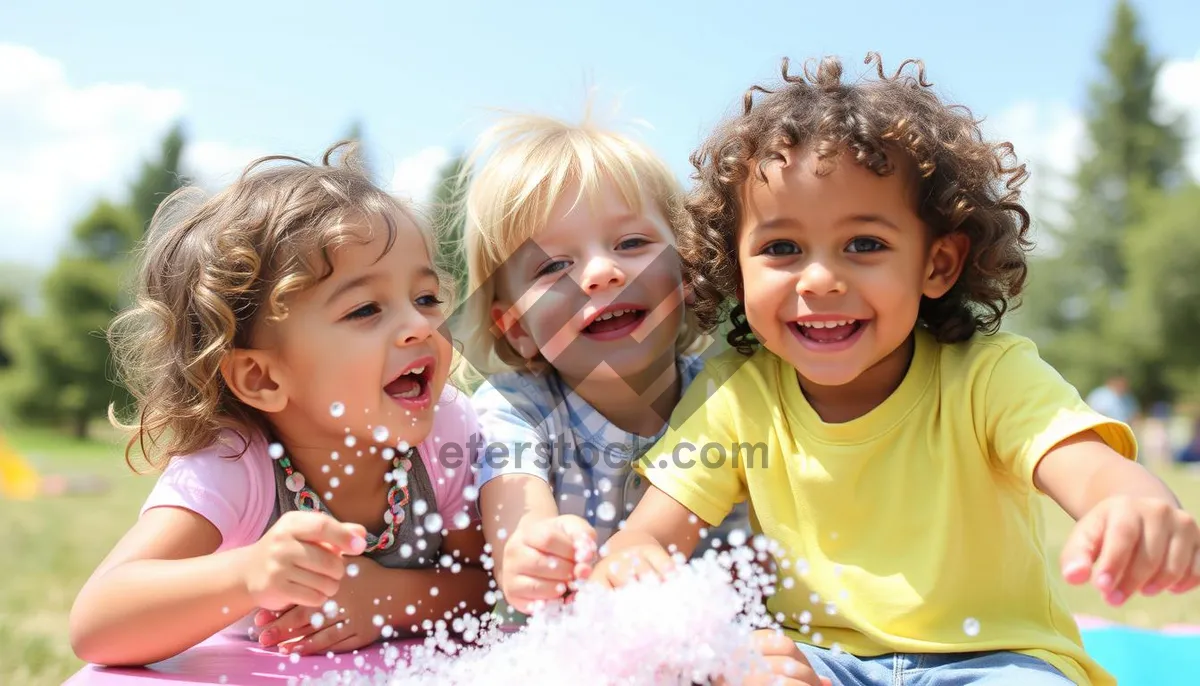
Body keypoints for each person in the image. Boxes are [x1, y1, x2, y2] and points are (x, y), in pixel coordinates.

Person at [590, 55, 1200, 686]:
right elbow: (648, 540)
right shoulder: (737, 396)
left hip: (995, 661)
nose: (820, 279)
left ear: (936, 264)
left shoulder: (990, 377)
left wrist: (1132, 508)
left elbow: (1099, 475)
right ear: (735, 265)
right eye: (781, 248)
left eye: (865, 245)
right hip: (821, 663)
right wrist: (635, 572)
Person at [69, 143, 491, 667]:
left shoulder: (445, 433)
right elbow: (97, 625)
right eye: (365, 309)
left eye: (426, 299)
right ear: (262, 376)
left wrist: (387, 598)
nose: (420, 326)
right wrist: (251, 574)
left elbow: (492, 589)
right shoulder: (234, 465)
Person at [452, 112, 751, 624]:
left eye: (631, 243)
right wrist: (532, 551)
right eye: (553, 265)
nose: (600, 273)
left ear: (685, 273)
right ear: (516, 327)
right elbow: (517, 510)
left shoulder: (734, 394)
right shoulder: (516, 408)